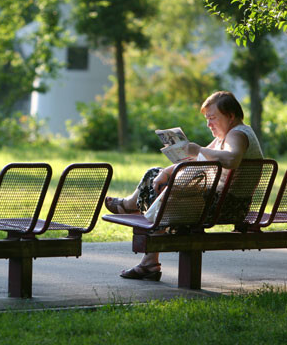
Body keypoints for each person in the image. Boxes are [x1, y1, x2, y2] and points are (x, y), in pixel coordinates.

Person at [105, 91, 263, 281]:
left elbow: (232, 159)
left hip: (221, 207)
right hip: (225, 204)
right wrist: (167, 171)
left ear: (230, 116)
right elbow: (197, 159)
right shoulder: (228, 136)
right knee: (158, 175)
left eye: (212, 118)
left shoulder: (236, 134)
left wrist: (198, 149)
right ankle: (144, 249)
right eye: (207, 119)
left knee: (155, 180)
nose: (208, 124)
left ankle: (130, 209)